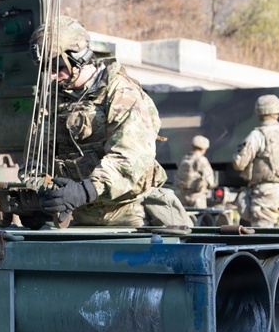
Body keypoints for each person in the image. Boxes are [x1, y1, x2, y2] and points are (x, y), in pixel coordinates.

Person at [27, 16, 190, 227]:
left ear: (79, 58)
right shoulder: (54, 99)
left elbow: (129, 158)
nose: (51, 76)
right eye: (45, 69)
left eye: (57, 67)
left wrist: (85, 190)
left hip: (130, 214)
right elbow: (38, 156)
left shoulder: (121, 92)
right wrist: (39, 195)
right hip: (79, 216)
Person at [231, 94, 279, 227]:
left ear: (259, 112)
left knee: (263, 235)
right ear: (277, 111)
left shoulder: (257, 136)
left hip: (266, 193)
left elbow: (239, 163)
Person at [175, 135, 217, 208]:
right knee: (199, 217)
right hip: (197, 197)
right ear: (204, 148)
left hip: (182, 195)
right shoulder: (202, 160)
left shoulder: (184, 159)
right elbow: (210, 180)